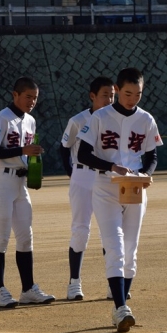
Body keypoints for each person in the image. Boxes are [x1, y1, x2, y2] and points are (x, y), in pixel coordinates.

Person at [77, 67, 163, 332]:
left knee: (130, 248)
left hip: (135, 187)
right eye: (127, 93)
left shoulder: (146, 119)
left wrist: (146, 174)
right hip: (106, 186)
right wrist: (111, 166)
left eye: (138, 94)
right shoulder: (100, 117)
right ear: (116, 89)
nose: (132, 99)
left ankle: (120, 304)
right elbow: (83, 154)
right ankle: (121, 308)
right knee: (114, 245)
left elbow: (152, 156)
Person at [0, 76, 56, 308]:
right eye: (28, 97)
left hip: (20, 182)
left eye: (35, 98)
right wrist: (22, 150)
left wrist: (33, 169)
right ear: (15, 94)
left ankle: (28, 290)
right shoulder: (1, 118)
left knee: (26, 237)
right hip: (1, 182)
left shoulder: (30, 121)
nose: (32, 101)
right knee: (1, 237)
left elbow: (26, 153)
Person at [59, 76, 115, 301]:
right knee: (81, 229)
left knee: (110, 231)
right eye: (105, 95)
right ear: (93, 96)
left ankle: (113, 283)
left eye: (112, 95)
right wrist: (72, 173)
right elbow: (64, 147)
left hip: (107, 176)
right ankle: (74, 283)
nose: (109, 100)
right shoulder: (78, 120)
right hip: (82, 175)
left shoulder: (117, 120)